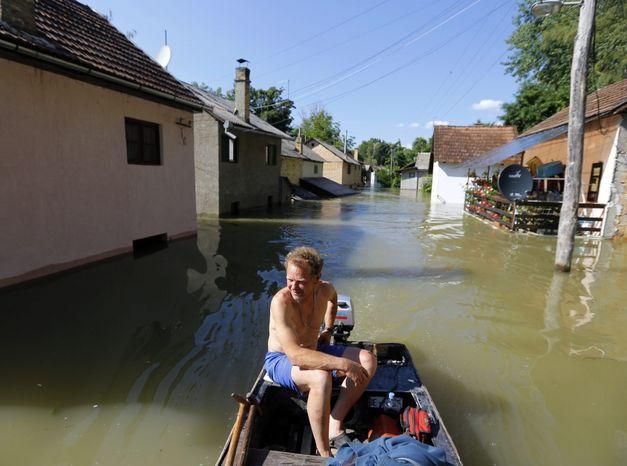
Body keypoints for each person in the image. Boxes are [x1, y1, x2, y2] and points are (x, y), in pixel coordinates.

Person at [265, 246, 377, 457]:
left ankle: (335, 422)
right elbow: (296, 356)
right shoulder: (281, 302)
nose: (294, 287)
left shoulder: (326, 290)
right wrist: (343, 364)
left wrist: (328, 329)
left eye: (301, 282)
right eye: (289, 280)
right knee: (321, 378)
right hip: (281, 359)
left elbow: (333, 301)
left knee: (367, 360)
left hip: (315, 347)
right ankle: (324, 451)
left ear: (317, 279)